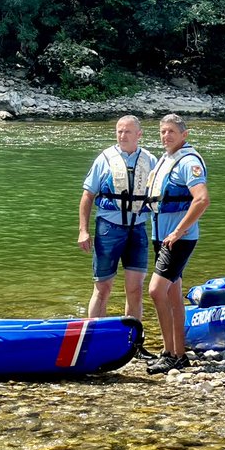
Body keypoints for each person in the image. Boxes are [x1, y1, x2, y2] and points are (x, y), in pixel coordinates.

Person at [145, 114, 209, 374]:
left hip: (177, 239)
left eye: (171, 131)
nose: (166, 136)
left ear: (185, 135)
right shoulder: (166, 159)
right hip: (160, 235)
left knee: (155, 290)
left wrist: (179, 231)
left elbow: (202, 200)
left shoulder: (189, 162)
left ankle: (171, 353)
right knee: (172, 292)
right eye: (162, 131)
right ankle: (176, 353)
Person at [78, 116, 156, 330]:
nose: (122, 136)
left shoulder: (149, 160)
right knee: (102, 287)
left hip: (138, 229)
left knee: (135, 288)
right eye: (119, 131)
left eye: (127, 132)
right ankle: (93, 337)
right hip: (108, 229)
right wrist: (83, 231)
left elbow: (158, 197)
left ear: (139, 135)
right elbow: (87, 196)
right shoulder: (104, 159)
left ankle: (132, 343)